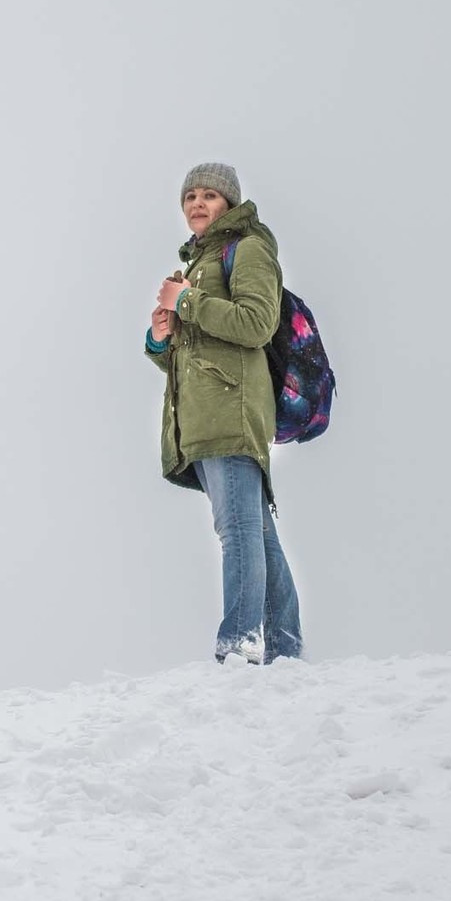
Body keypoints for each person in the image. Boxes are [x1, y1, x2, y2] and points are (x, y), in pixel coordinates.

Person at [146, 161, 303, 663]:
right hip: (206, 413)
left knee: (236, 531)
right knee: (255, 533)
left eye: (210, 196)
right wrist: (159, 338)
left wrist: (189, 303)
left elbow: (256, 323)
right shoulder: (197, 262)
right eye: (190, 196)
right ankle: (284, 651)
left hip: (232, 411)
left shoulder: (249, 248)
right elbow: (192, 354)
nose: (198, 203)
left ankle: (238, 642)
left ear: (230, 204)